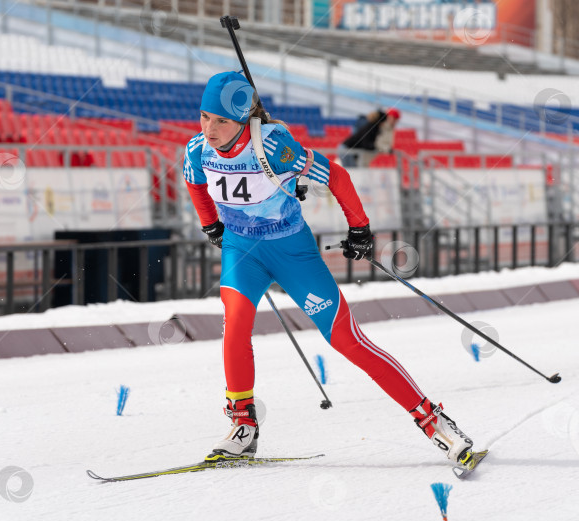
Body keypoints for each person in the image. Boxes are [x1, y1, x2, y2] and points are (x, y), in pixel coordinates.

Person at [183, 71, 478, 471]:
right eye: (204, 117)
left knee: (346, 340)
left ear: (243, 120)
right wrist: (210, 224)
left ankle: (433, 420)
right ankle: (243, 425)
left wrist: (359, 228)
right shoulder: (198, 148)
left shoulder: (272, 144)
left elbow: (336, 175)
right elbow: (196, 185)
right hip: (242, 251)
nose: (210, 128)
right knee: (235, 325)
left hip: (291, 251)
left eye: (221, 121)